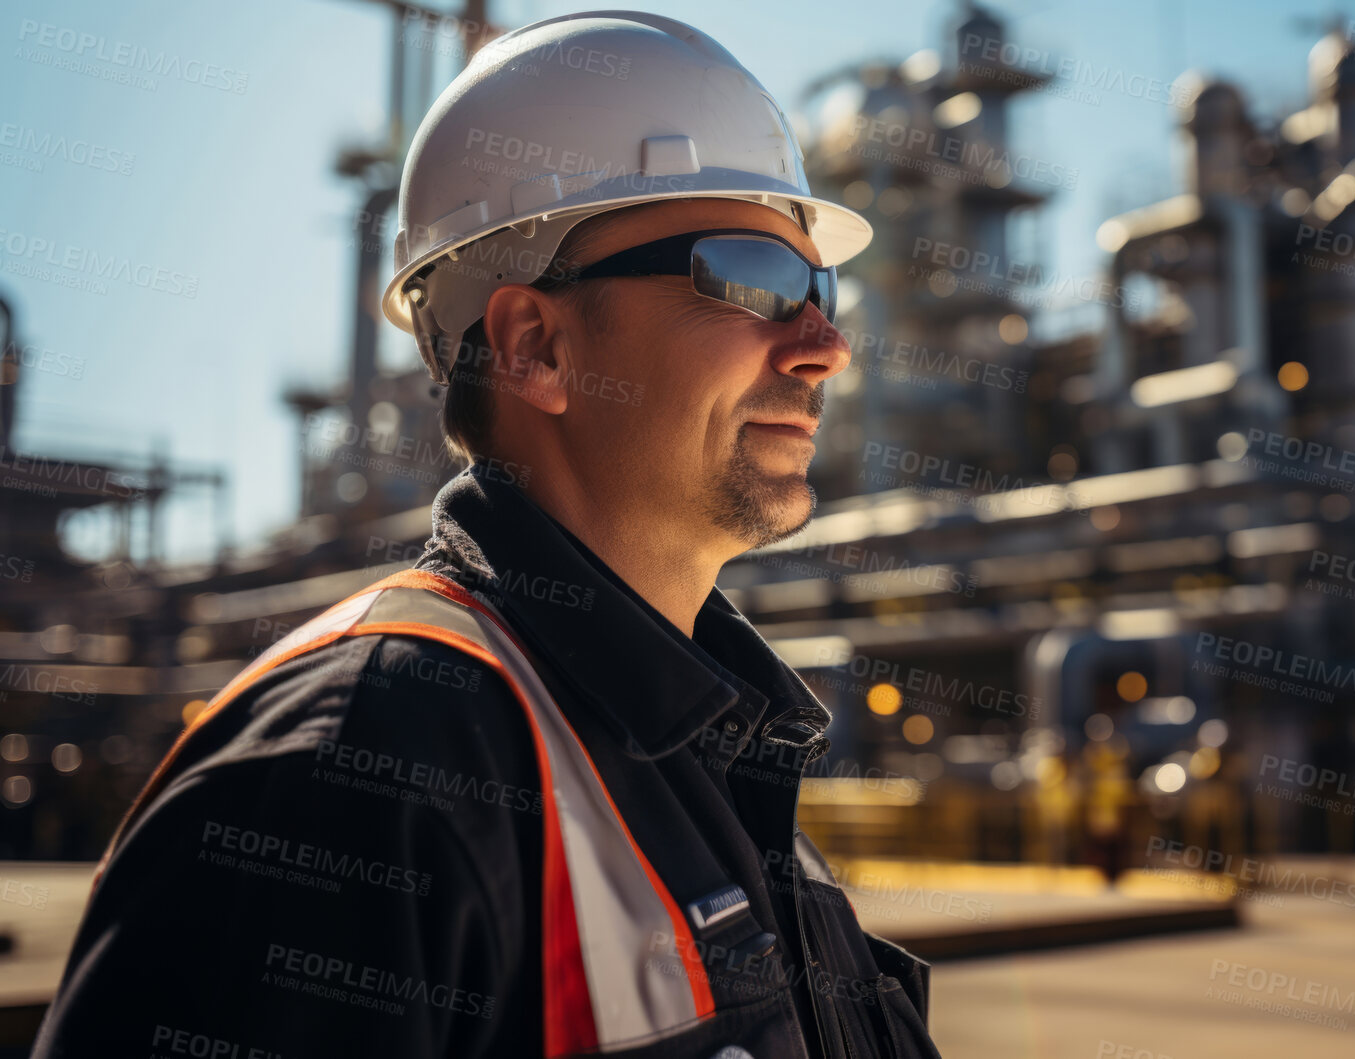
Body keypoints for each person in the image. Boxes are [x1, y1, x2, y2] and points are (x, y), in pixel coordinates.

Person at [32, 13, 939, 1059]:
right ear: (535, 346)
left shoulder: (725, 769)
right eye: (754, 279)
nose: (823, 344)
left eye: (818, 288)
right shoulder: (352, 777)